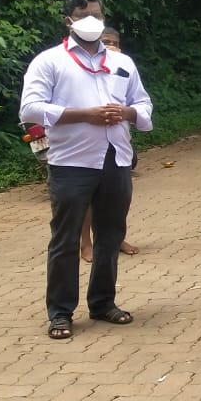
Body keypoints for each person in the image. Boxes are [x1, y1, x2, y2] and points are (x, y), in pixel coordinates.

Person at [19, 0, 153, 340]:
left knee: (111, 234)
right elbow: (30, 109)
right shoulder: (49, 62)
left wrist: (127, 113)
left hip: (115, 157)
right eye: (83, 16)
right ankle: (60, 313)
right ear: (69, 21)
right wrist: (83, 116)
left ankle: (103, 303)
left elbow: (143, 103)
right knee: (65, 239)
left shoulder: (121, 62)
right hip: (71, 161)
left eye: (97, 13)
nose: (92, 21)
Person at [80, 26, 140, 262]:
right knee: (86, 198)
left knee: (119, 197)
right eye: (106, 41)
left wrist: (127, 113)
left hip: (117, 142)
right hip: (84, 145)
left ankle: (115, 238)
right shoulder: (82, 67)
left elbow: (139, 101)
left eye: (115, 42)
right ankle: (86, 243)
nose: (111, 46)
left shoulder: (124, 66)